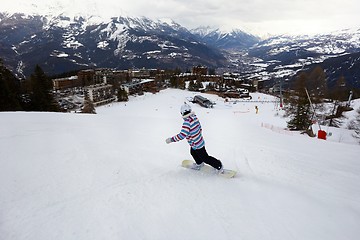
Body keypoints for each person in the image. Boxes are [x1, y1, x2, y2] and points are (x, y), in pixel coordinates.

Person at [166, 103, 223, 172]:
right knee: (193, 152)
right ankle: (199, 164)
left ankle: (218, 165)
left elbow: (182, 135)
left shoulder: (187, 123)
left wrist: (172, 139)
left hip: (197, 144)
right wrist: (197, 136)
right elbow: (200, 128)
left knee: (205, 158)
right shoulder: (195, 117)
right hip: (197, 142)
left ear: (182, 113)